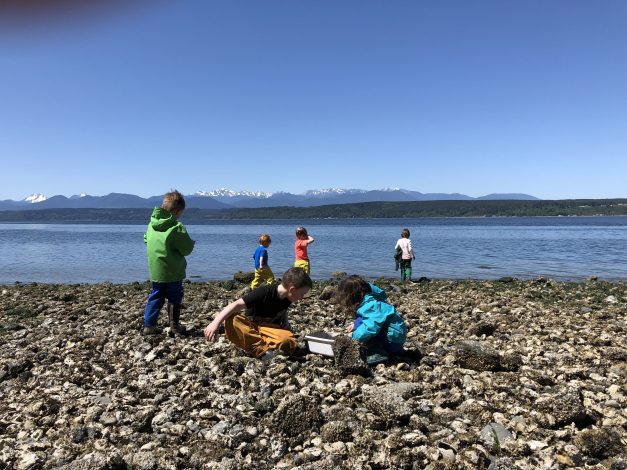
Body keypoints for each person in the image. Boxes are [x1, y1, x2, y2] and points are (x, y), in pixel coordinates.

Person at [204, 267, 312, 359]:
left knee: (288, 342)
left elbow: (283, 314)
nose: (302, 298)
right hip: (252, 326)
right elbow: (235, 305)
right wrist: (215, 323)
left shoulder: (288, 298)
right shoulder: (264, 292)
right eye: (302, 294)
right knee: (233, 319)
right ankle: (262, 352)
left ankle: (267, 345)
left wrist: (287, 327)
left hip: (270, 328)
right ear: (292, 289)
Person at [143, 190, 195, 335]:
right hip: (173, 271)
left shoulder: (151, 225)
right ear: (177, 211)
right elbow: (186, 249)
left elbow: (146, 239)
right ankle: (174, 326)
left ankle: (149, 325)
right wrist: (191, 243)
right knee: (175, 295)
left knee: (156, 295)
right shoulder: (176, 227)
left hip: (156, 270)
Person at [336, 275, 407, 365]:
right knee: (364, 330)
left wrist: (353, 337)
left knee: (366, 338)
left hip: (392, 340)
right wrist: (356, 324)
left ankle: (377, 354)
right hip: (394, 337)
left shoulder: (371, 305)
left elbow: (370, 327)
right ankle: (385, 349)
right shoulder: (369, 300)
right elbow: (366, 318)